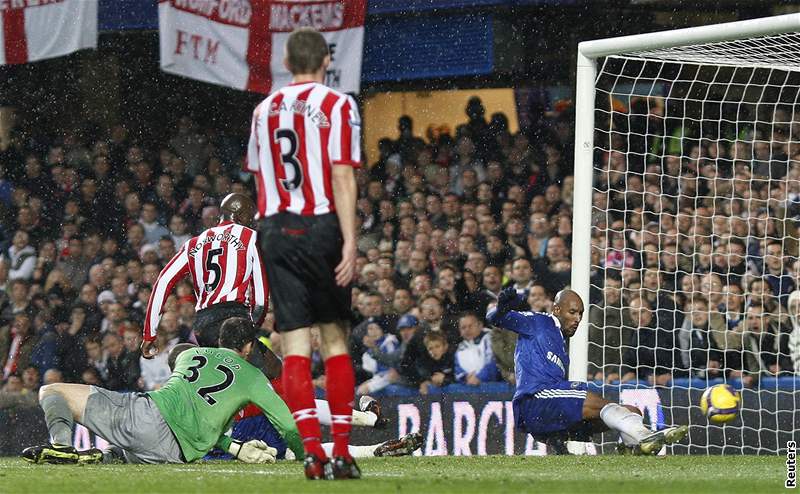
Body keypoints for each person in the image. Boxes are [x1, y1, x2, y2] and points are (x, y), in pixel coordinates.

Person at [245, 28, 361, 479]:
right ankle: (343, 453)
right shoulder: (338, 104)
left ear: (287, 62)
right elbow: (342, 176)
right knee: (333, 338)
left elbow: (259, 177)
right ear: (325, 62)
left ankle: (312, 453)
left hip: (275, 227)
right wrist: (349, 239)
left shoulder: (262, 111)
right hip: (320, 227)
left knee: (293, 343)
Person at [21, 317, 302, 465]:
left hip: (148, 416)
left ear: (219, 340)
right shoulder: (253, 377)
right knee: (125, 454)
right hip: (174, 454)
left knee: (51, 391)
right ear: (250, 346)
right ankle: (106, 457)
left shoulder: (190, 355)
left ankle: (61, 445)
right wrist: (303, 455)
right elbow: (289, 425)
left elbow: (187, 400)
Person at [486, 287, 688, 455]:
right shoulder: (539, 321)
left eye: (581, 313)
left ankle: (632, 448)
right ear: (556, 309)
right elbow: (494, 318)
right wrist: (501, 308)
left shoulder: (561, 345)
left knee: (631, 412)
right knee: (592, 399)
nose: (577, 319)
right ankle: (644, 436)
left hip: (548, 414)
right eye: (572, 312)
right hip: (535, 399)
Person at [141, 192, 269, 356]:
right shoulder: (250, 237)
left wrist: (149, 334)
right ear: (242, 215)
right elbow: (260, 298)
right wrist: (250, 328)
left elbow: (162, 282)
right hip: (234, 318)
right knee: (273, 369)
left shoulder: (194, 243)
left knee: (220, 375)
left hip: (204, 324)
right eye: (251, 218)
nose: (252, 223)